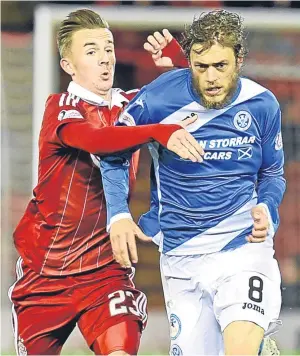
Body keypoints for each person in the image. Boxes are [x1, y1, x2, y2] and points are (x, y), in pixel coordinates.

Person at [8, 8, 204, 356]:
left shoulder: (130, 106)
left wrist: (178, 63)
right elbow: (100, 140)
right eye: (91, 50)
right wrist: (160, 131)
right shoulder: (61, 107)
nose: (105, 59)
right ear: (68, 65)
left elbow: (198, 92)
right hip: (46, 270)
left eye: (109, 48)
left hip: (104, 270)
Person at [100, 10, 285, 356]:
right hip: (181, 257)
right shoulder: (158, 99)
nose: (211, 77)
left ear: (239, 59)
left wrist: (267, 207)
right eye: (201, 67)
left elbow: (273, 172)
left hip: (242, 247)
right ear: (189, 62)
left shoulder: (261, 105)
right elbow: (113, 151)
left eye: (221, 66)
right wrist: (118, 214)